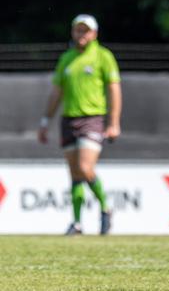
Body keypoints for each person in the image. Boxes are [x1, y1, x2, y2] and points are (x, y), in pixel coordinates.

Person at [38, 14, 122, 236]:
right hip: (68, 120)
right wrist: (45, 121)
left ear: (94, 33)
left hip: (92, 119)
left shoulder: (103, 56)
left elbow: (114, 89)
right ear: (73, 32)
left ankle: (106, 208)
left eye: (86, 30)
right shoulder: (67, 59)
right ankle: (76, 223)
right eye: (78, 30)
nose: (81, 34)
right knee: (75, 173)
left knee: (85, 168)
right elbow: (57, 92)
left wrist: (113, 123)